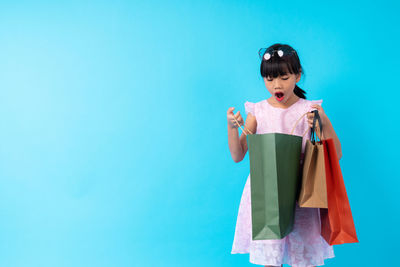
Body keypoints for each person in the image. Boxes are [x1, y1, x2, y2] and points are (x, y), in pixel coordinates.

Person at [227, 43, 342, 267]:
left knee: (303, 258)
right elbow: (238, 155)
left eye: (284, 77)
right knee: (271, 255)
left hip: (302, 193)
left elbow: (335, 154)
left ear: (298, 75)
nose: (276, 85)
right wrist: (232, 128)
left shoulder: (309, 110)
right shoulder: (257, 112)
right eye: (269, 79)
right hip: (267, 193)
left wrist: (324, 123)